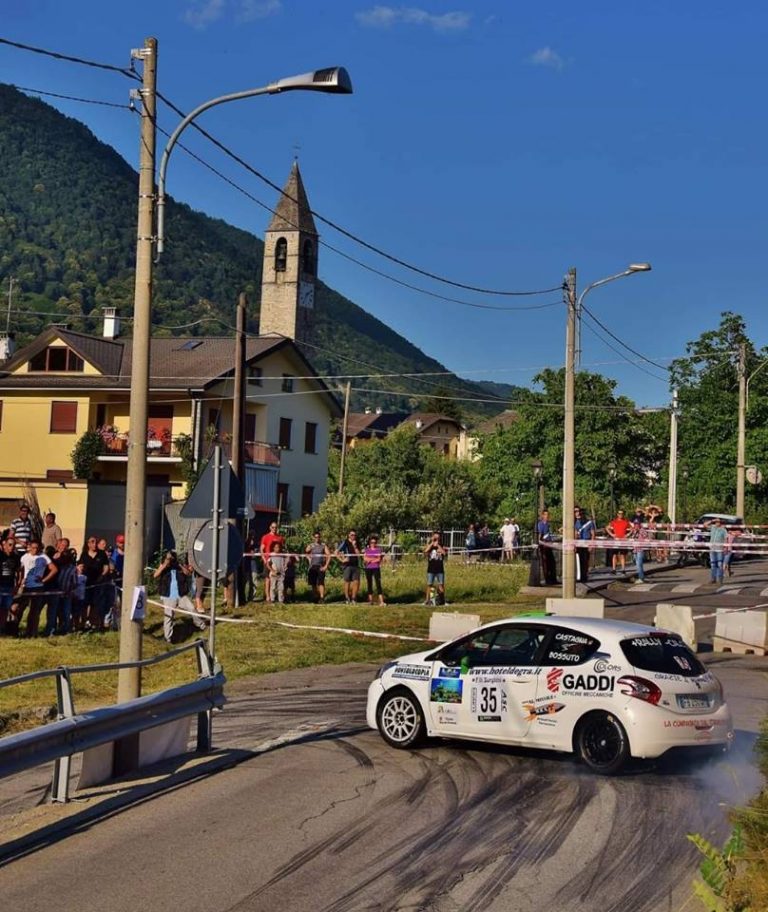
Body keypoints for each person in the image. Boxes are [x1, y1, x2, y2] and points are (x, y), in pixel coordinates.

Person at [154, 551, 205, 644]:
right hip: (169, 596)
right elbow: (155, 575)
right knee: (169, 617)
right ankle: (167, 638)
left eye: (172, 558)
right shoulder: (164, 566)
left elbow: (188, 573)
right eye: (169, 558)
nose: (171, 560)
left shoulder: (179, 567)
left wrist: (179, 565)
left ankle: (201, 625)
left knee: (192, 608)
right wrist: (165, 564)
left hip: (181, 595)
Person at [15, 540, 57, 637]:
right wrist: (20, 580)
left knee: (34, 611)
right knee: (20, 608)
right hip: (26, 586)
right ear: (29, 547)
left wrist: (44, 580)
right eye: (33, 547)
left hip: (37, 587)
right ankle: (15, 629)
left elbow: (54, 569)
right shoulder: (24, 557)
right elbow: (20, 570)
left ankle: (32, 632)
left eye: (37, 548)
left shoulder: (43, 556)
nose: (35, 550)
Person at [79, 535, 110, 631]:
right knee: (84, 604)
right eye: (92, 542)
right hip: (86, 584)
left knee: (95, 604)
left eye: (96, 542)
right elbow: (80, 566)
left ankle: (94, 624)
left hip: (98, 583)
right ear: (88, 544)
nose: (94, 544)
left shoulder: (102, 554)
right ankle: (83, 623)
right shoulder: (84, 554)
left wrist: (102, 576)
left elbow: (106, 567)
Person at [0, 537, 22, 634]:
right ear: (4, 545)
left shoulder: (16, 557)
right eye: (9, 544)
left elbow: (19, 571)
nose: (12, 547)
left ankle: (2, 628)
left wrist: (17, 585)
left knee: (5, 608)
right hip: (0, 586)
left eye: (13, 545)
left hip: (9, 587)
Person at [259, 522, 285, 603]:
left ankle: (277, 597)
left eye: (276, 527)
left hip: (277, 561)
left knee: (278, 579)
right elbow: (261, 549)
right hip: (268, 561)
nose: (274, 529)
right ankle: (268, 597)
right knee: (268, 579)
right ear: (270, 527)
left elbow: (282, 549)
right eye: (273, 527)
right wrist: (264, 559)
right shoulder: (265, 537)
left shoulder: (280, 537)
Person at [306, 531, 331, 603]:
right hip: (312, 567)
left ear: (320, 537)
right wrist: (309, 559)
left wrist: (326, 566)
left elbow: (329, 555)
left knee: (321, 583)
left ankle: (322, 598)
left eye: (318, 537)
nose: (317, 538)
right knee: (313, 583)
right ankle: (316, 597)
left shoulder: (323, 545)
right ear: (313, 538)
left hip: (320, 566)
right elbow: (306, 552)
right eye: (316, 537)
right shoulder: (311, 545)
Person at [337, 530, 361, 604]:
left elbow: (358, 554)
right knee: (347, 582)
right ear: (349, 535)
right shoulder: (345, 542)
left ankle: (354, 598)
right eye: (352, 535)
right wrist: (342, 560)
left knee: (356, 582)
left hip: (355, 565)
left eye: (354, 535)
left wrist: (355, 546)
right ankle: (347, 598)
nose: (353, 536)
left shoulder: (357, 543)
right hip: (347, 565)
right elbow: (336, 552)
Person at [423, 531, 446, 605]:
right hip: (431, 568)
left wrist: (438, 545)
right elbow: (425, 551)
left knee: (441, 584)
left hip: (440, 568)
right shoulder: (430, 545)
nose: (437, 539)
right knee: (429, 584)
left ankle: (442, 600)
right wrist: (432, 543)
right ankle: (428, 600)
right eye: (435, 537)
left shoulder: (441, 545)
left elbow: (444, 553)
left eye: (438, 538)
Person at [574, 508, 596, 582]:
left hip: (587, 542)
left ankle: (585, 576)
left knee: (586, 560)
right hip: (579, 543)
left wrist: (591, 545)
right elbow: (575, 534)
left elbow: (593, 534)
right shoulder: (577, 522)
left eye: (582, 514)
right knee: (580, 560)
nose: (581, 515)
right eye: (580, 514)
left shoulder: (590, 522)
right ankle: (580, 576)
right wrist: (575, 544)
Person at [364, 535, 385, 606]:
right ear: (369, 543)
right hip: (368, 568)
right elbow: (365, 559)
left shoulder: (378, 550)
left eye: (374, 542)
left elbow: (378, 559)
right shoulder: (367, 550)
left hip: (376, 568)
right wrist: (373, 559)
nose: (373, 544)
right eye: (372, 542)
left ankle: (381, 601)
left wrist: (370, 560)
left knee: (378, 583)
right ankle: (370, 600)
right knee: (369, 583)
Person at [537, 510, 557, 585]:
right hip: (544, 546)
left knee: (552, 562)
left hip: (549, 545)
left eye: (548, 515)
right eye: (545, 515)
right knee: (545, 563)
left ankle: (553, 579)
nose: (547, 516)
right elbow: (540, 535)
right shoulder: (541, 524)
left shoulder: (548, 524)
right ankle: (547, 580)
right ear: (542, 515)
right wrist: (539, 544)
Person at [630, 517, 650, 583]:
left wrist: (639, 531)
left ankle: (641, 578)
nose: (636, 525)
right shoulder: (633, 530)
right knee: (637, 564)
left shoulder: (642, 530)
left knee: (639, 564)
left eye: (637, 524)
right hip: (635, 549)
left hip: (640, 549)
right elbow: (632, 538)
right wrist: (632, 532)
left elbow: (647, 537)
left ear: (639, 524)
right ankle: (641, 576)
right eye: (635, 524)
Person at [708, 518, 727, 585]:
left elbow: (725, 538)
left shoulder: (723, 530)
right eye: (716, 522)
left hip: (719, 549)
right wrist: (712, 520)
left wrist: (725, 547)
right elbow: (705, 525)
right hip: (712, 548)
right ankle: (713, 579)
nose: (717, 523)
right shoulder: (712, 527)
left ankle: (720, 579)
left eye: (718, 522)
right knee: (713, 564)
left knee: (720, 564)